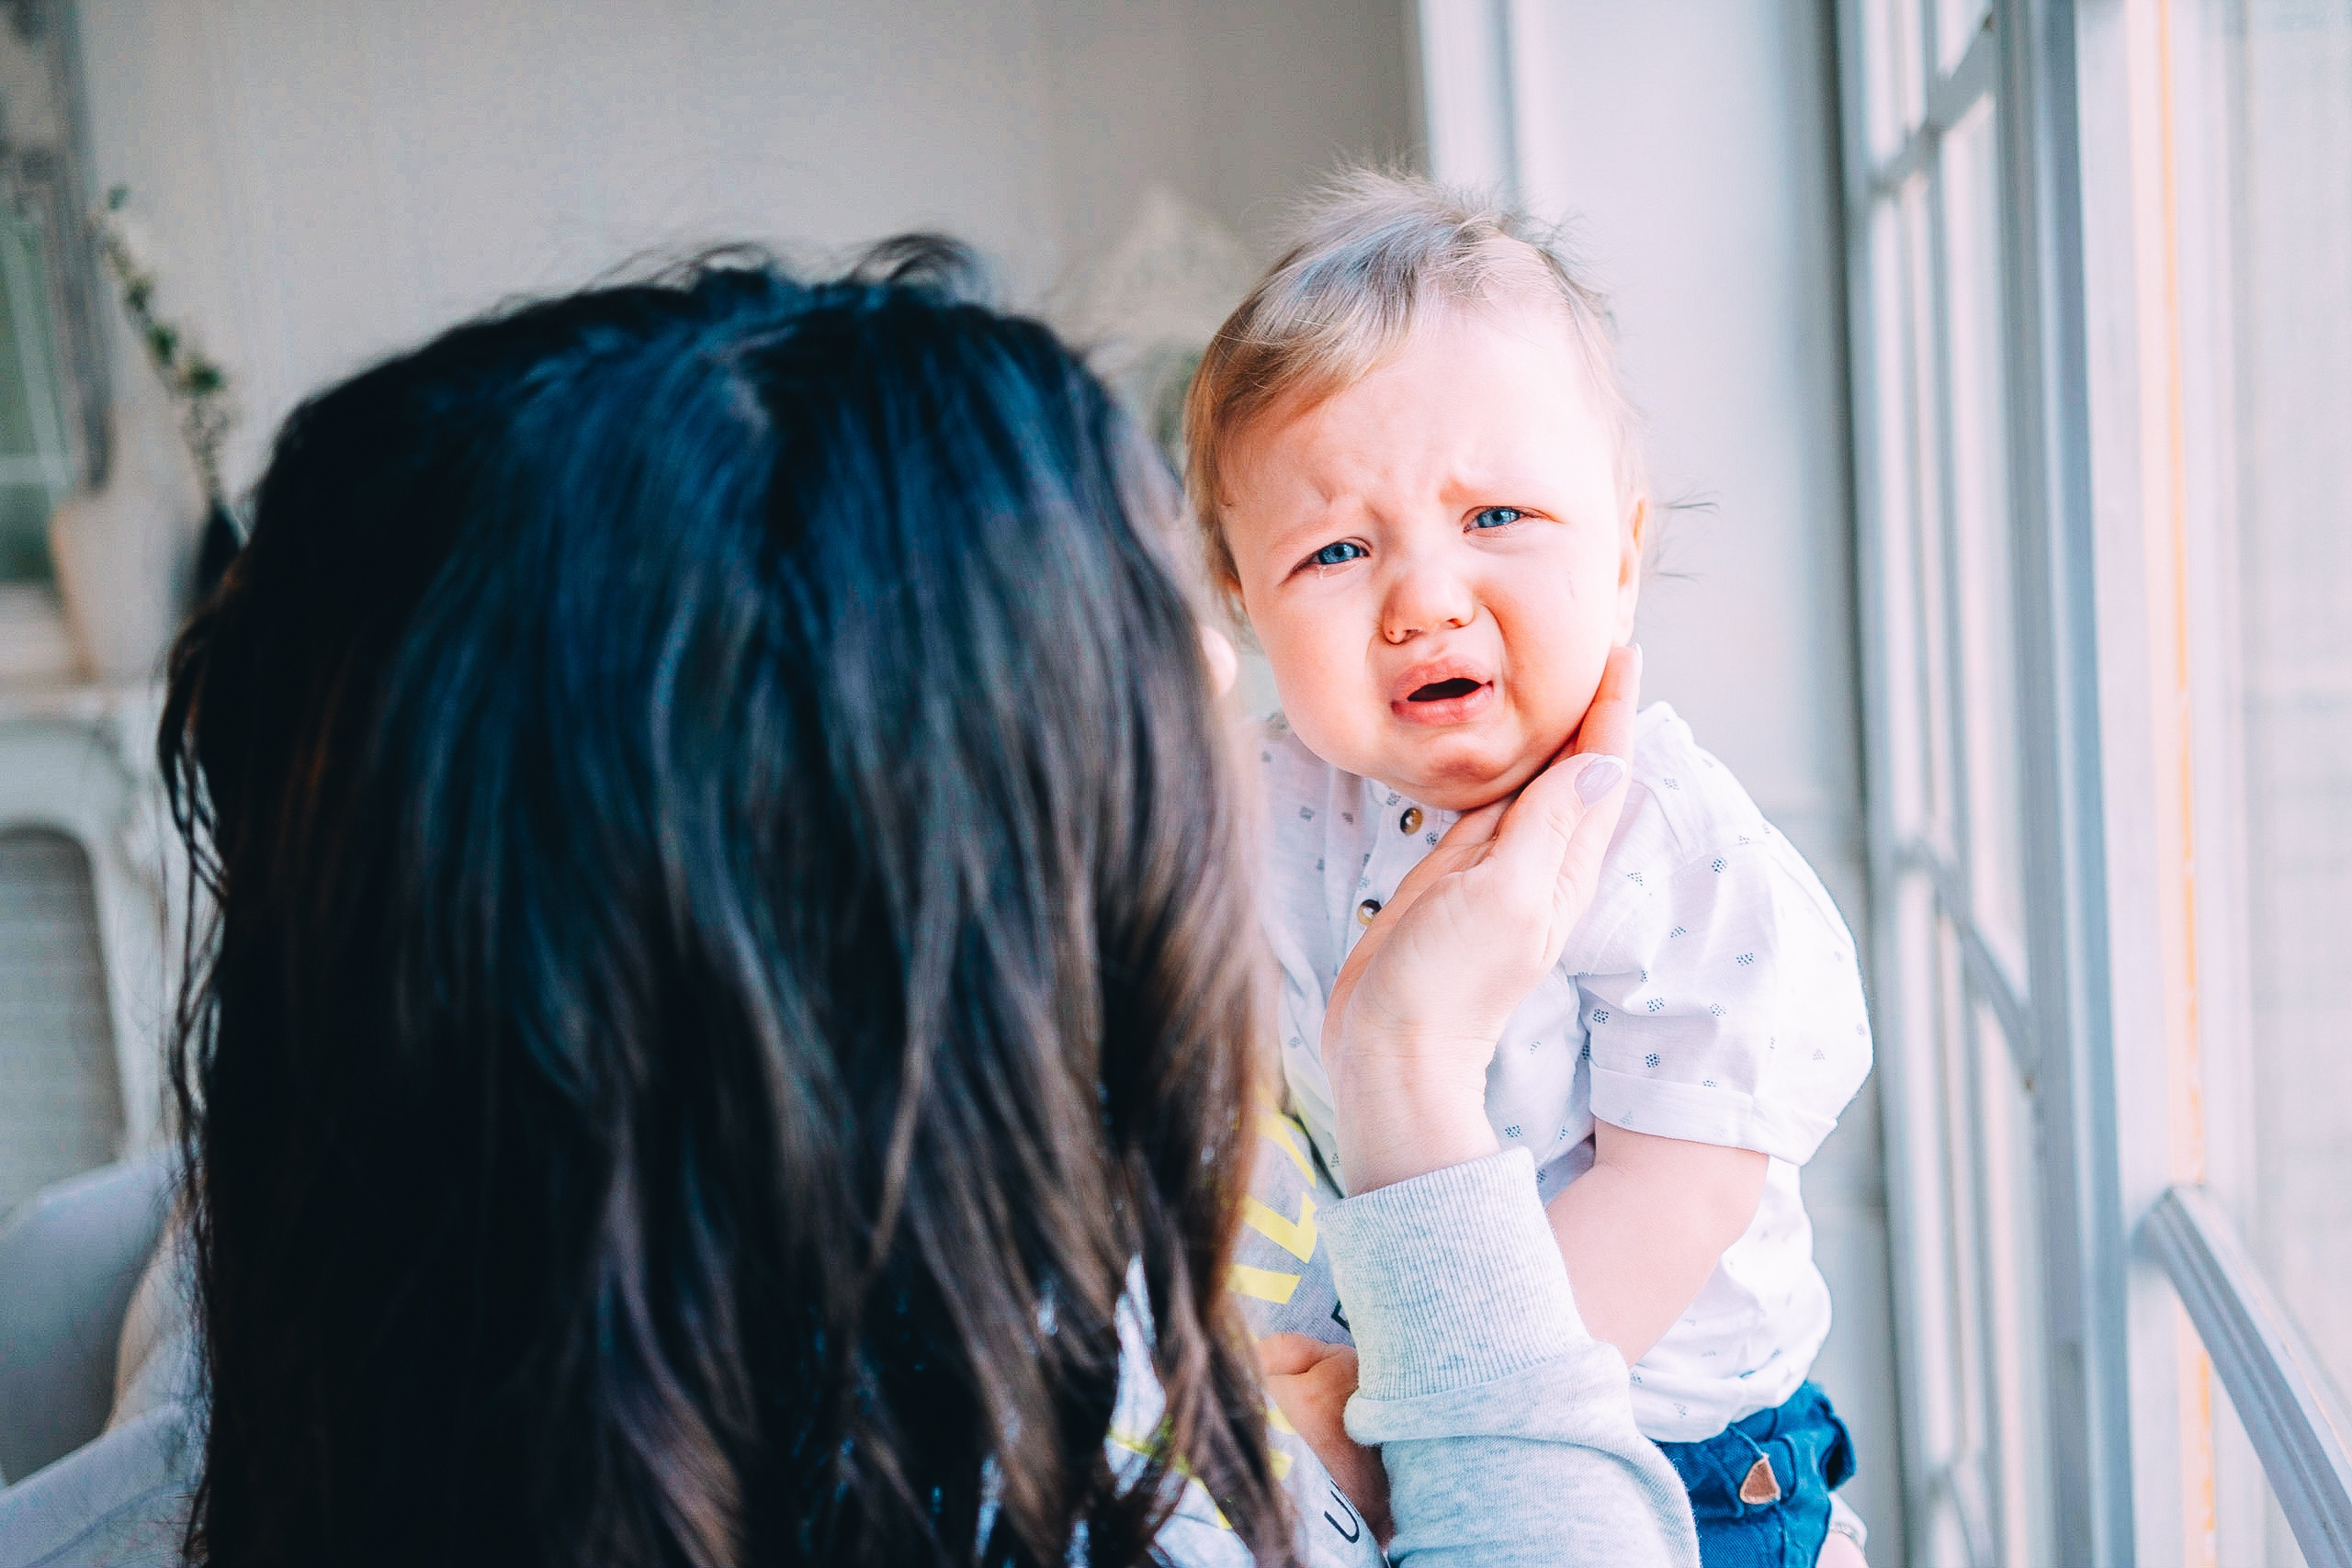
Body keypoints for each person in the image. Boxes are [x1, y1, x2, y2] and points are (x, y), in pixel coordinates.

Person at [0, 242, 1695, 1566]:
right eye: (1150, 634)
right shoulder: (1048, 1504)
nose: (1214, 672)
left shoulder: (261, 1241)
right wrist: (1413, 1093)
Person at [1182, 173, 1874, 1568]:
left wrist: (1402, 1425)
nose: (1424, 595)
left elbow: (1671, 1197)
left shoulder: (1681, 858)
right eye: (1335, 549)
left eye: (1496, 519)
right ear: (1243, 603)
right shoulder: (1269, 795)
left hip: (1680, 1452)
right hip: (1371, 1391)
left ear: (1626, 553)